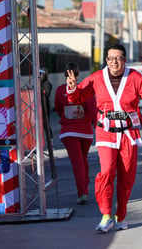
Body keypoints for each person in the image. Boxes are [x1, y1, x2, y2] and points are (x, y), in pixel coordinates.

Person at [66, 43, 142, 232]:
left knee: (127, 177)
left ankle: (121, 216)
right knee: (106, 172)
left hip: (129, 134)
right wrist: (72, 88)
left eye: (118, 58)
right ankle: (106, 215)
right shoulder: (96, 78)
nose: (114, 62)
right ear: (106, 60)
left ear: (124, 60)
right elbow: (77, 97)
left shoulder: (135, 77)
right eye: (111, 58)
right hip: (105, 133)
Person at [55, 63, 97, 205]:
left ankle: (83, 187)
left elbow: (58, 109)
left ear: (64, 73)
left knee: (80, 161)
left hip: (68, 131)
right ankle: (83, 191)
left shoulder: (60, 90)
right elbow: (92, 109)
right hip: (85, 131)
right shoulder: (85, 89)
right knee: (81, 161)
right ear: (78, 74)